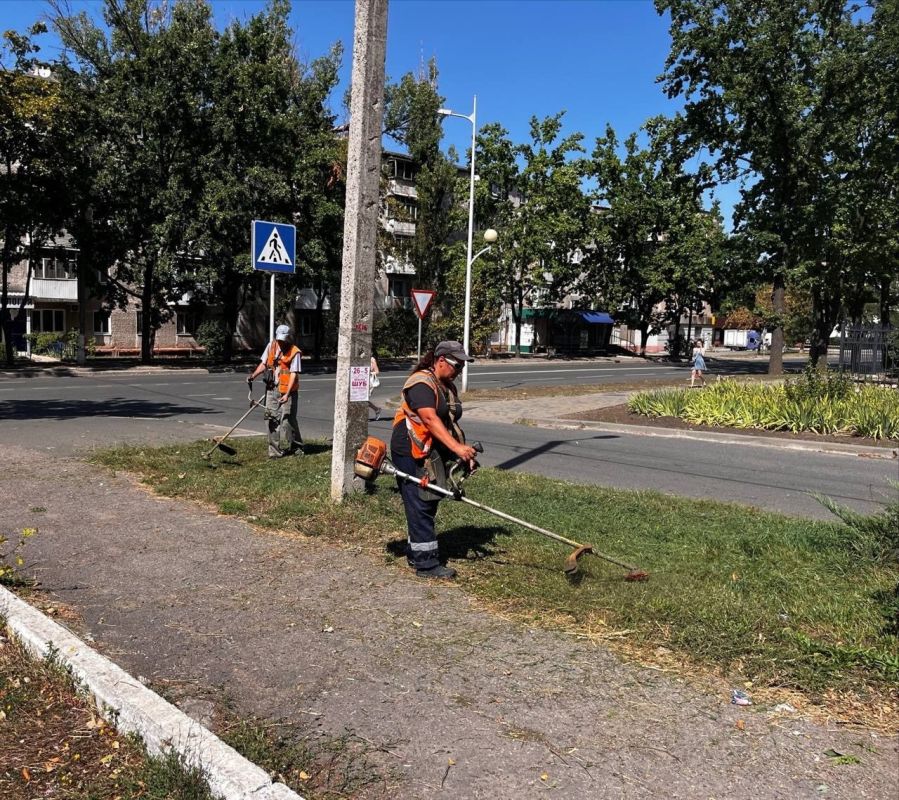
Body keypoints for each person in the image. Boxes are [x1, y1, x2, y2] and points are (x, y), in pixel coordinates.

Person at [391, 341, 478, 579]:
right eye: (457, 365)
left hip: (431, 449)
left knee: (429, 500)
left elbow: (449, 424)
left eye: (462, 366)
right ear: (441, 361)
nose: (460, 371)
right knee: (421, 501)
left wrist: (462, 452)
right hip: (409, 448)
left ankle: (416, 552)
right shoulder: (420, 383)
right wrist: (457, 449)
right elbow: (429, 420)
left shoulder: (446, 386)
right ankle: (426, 564)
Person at [247, 324, 302, 458]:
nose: (281, 342)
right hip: (272, 388)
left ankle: (296, 447)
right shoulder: (271, 346)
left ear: (289, 337)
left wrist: (287, 394)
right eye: (279, 339)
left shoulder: (295, 352)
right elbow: (264, 363)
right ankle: (274, 452)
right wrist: (253, 376)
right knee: (271, 419)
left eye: (284, 339)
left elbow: (293, 374)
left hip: (288, 391)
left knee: (287, 420)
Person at [368, 355, 382, 421]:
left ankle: (377, 409)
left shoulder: (372, 359)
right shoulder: (361, 359)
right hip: (363, 382)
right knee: (361, 399)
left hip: (370, 382)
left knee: (364, 399)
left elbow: (377, 371)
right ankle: (377, 409)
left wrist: (369, 373)